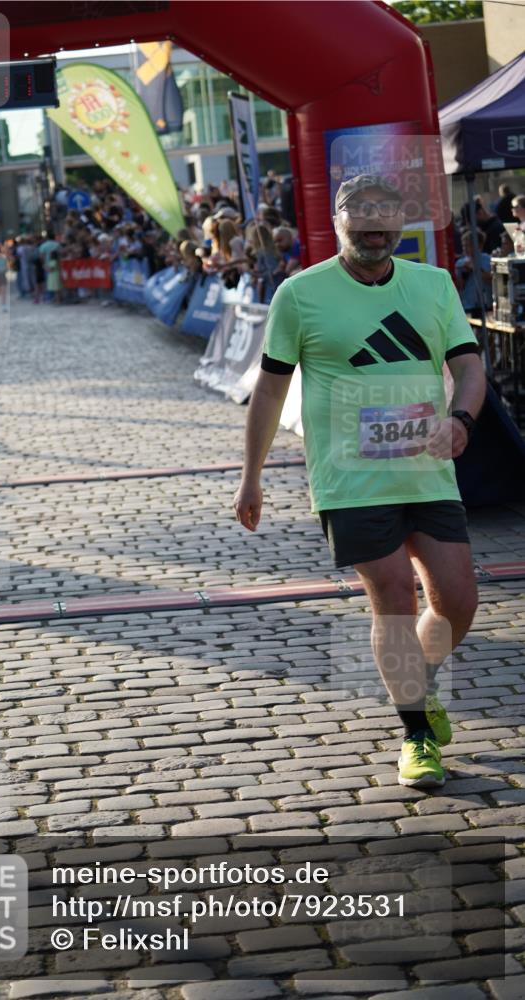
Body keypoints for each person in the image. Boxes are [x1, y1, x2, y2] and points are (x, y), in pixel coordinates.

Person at [234, 174, 486, 790]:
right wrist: (252, 476)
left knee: (458, 600)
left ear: (400, 222)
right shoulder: (301, 293)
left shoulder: (432, 284)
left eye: (385, 214)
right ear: (337, 222)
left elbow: (470, 366)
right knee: (394, 593)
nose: (373, 225)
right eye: (360, 214)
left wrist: (461, 420)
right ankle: (417, 736)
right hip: (349, 477)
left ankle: (416, 689)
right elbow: (269, 388)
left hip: (427, 469)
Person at [455, 229, 492, 317]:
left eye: (468, 246)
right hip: (467, 305)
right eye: (463, 246)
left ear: (479, 245)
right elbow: (458, 287)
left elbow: (490, 279)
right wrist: (463, 274)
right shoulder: (460, 263)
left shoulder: (488, 260)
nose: (465, 249)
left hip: (485, 304)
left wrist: (474, 268)